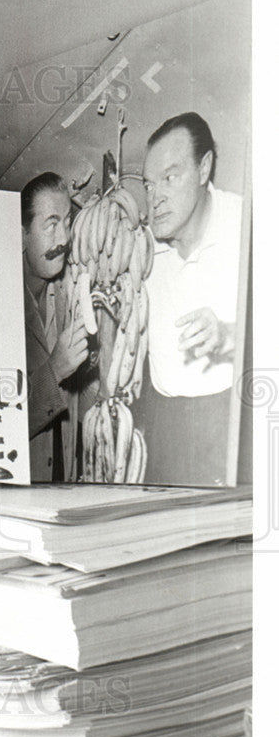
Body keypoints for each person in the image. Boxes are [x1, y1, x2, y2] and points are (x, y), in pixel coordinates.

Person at [137, 112, 244, 485]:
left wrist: (231, 335)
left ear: (204, 169)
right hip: (164, 431)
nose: (155, 198)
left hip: (235, 420)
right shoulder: (139, 248)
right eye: (149, 185)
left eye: (170, 178)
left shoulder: (248, 226)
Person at [21, 172, 91, 481]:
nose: (62, 240)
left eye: (67, 223)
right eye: (50, 224)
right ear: (22, 233)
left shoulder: (67, 290)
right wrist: (55, 370)